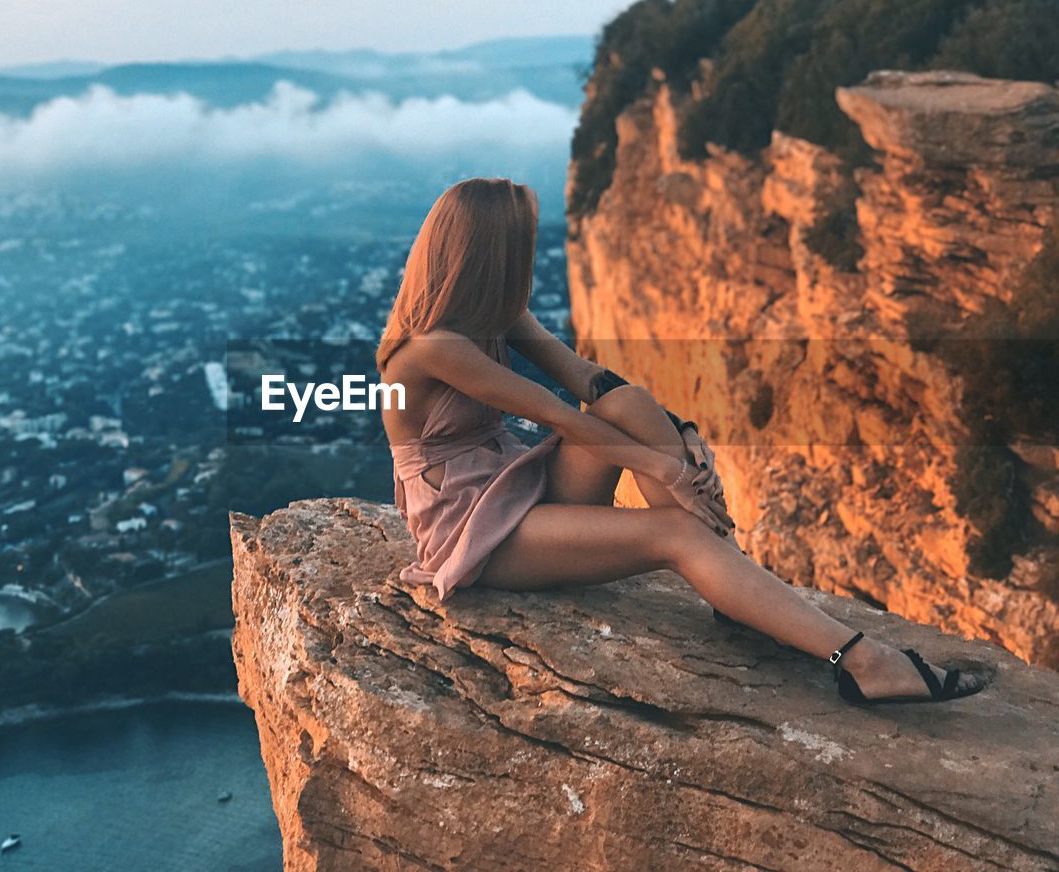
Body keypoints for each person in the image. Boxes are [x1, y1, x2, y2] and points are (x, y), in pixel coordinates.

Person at [376, 176, 983, 706]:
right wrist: (668, 472)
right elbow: (560, 417)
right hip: (470, 533)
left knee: (628, 402)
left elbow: (587, 381)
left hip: (510, 486)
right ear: (490, 257)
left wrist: (683, 432)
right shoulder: (435, 348)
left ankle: (734, 594)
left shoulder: (497, 316)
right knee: (676, 531)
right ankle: (861, 661)